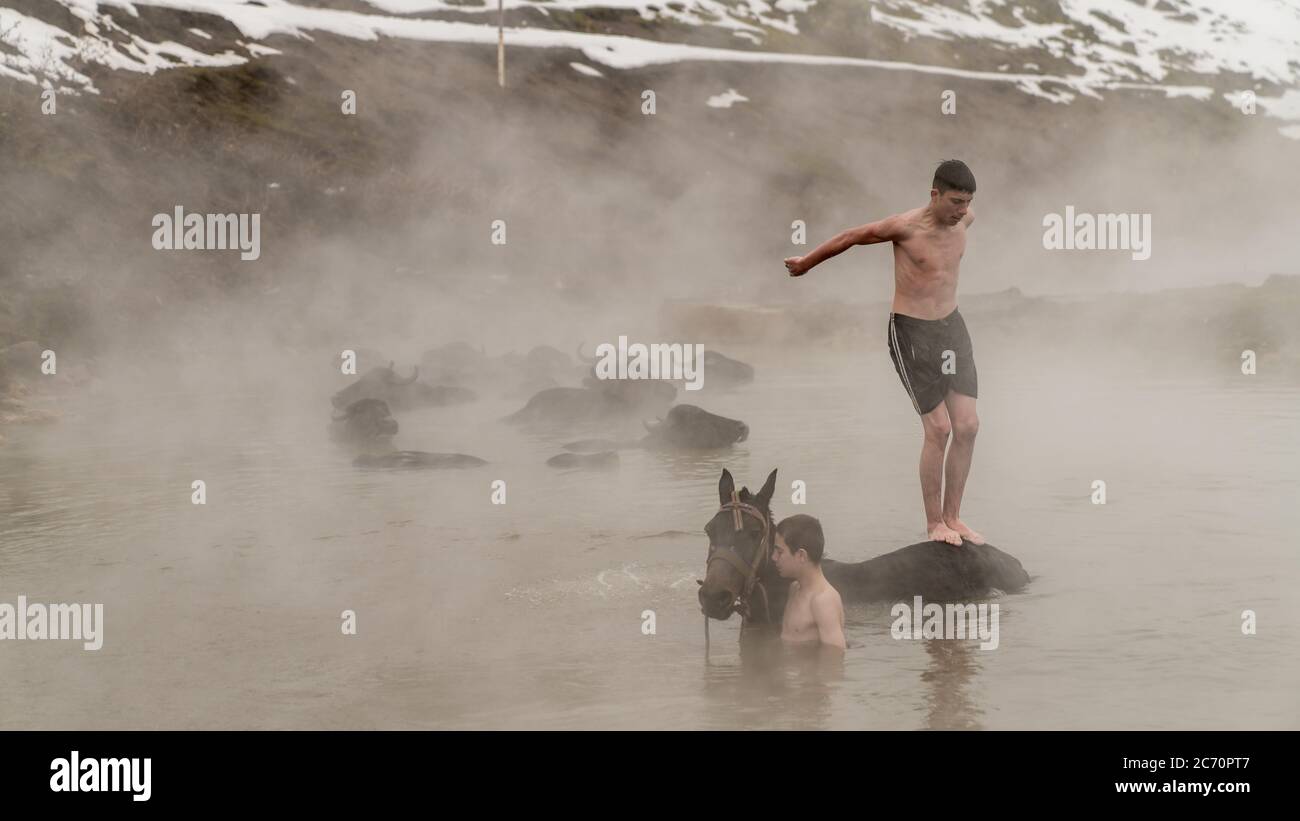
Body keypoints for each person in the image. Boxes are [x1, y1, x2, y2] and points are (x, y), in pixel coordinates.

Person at [784, 159, 983, 547]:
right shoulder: (904, 227)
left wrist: (964, 212)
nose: (962, 210)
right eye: (956, 201)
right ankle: (934, 525)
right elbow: (851, 236)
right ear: (934, 194)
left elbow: (965, 218)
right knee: (939, 429)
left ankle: (954, 517)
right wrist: (807, 263)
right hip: (911, 331)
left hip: (952, 327)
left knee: (969, 426)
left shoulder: (965, 220)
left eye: (968, 202)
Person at [772, 515, 845, 649]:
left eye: (779, 552)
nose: (774, 557)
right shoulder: (794, 589)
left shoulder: (823, 600)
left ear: (801, 555)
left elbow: (834, 661)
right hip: (792, 668)